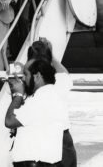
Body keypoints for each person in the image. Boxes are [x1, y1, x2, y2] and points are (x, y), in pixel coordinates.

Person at [5, 59, 68, 166]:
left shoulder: (40, 100)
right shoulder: (53, 93)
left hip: (35, 162)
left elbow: (9, 121)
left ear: (37, 76)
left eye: (26, 74)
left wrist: (18, 95)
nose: (23, 78)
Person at [27, 39, 77, 167]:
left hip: (40, 141)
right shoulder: (59, 81)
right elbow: (64, 73)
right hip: (62, 141)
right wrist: (52, 56)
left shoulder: (29, 84)